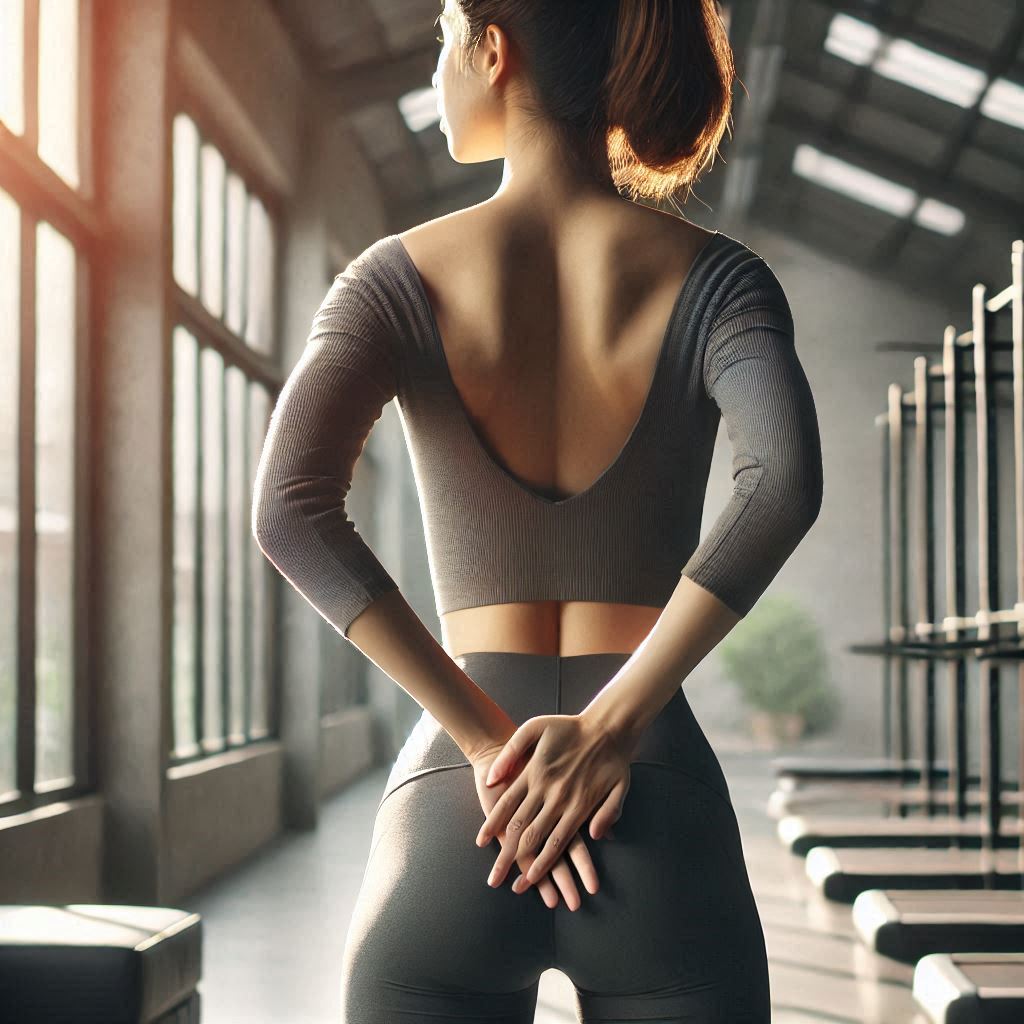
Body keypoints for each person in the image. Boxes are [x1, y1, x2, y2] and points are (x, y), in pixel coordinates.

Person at [252, 0, 824, 1019]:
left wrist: (486, 746)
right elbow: (780, 482)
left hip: (466, 806)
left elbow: (290, 509)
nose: (439, 73)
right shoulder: (719, 280)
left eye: (443, 41)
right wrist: (606, 731)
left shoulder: (392, 278)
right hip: (649, 787)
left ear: (492, 46)